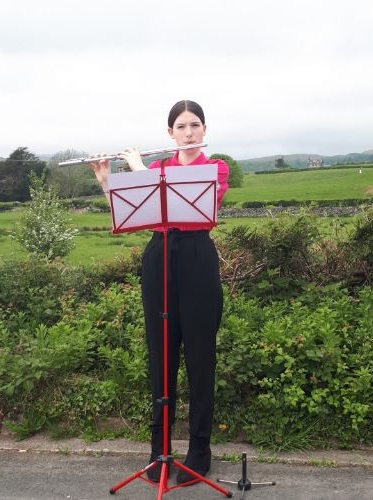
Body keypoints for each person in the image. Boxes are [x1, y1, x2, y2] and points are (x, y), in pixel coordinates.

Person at [89, 100, 229, 485]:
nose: (188, 132)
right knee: (161, 357)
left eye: (195, 125)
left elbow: (196, 204)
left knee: (200, 358)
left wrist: (138, 168)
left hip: (198, 259)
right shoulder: (156, 169)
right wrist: (106, 180)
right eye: (181, 127)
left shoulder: (216, 168)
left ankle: (199, 452)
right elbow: (133, 212)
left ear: (204, 129)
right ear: (170, 133)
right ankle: (159, 451)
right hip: (159, 258)